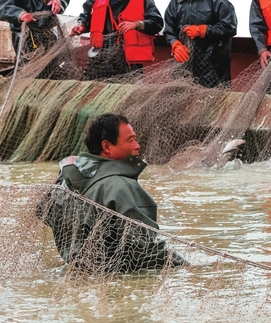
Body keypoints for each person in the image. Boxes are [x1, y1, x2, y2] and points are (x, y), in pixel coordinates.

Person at [37, 113, 184, 271]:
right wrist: (187, 267)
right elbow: (146, 249)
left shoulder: (65, 179)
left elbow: (43, 211)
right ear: (106, 146)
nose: (137, 145)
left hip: (76, 275)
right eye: (130, 140)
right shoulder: (121, 187)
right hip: (117, 282)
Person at [71, 0, 164, 79]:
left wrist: (137, 24)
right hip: (100, 58)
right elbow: (86, 17)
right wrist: (81, 25)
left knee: (128, 96)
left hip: (129, 63)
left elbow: (157, 23)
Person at [162, 0, 238, 87]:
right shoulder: (175, 3)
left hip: (214, 73)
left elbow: (230, 27)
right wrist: (175, 45)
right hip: (183, 72)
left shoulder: (216, 0)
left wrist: (203, 30)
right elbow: (169, 30)